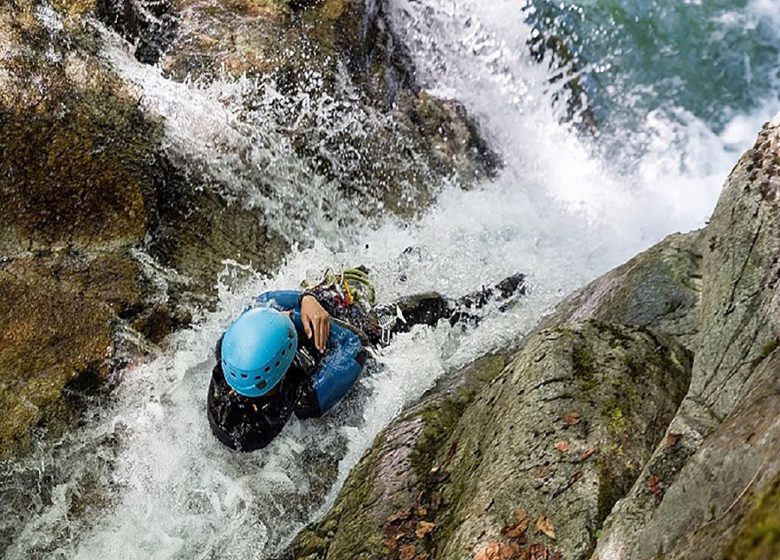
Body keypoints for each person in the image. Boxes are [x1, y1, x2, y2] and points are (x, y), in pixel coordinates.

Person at [207, 268, 525, 452]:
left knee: (350, 282)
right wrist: (317, 311)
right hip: (358, 341)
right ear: (283, 366)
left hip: (289, 350)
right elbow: (355, 346)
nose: (285, 315)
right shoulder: (309, 396)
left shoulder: (231, 357)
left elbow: (261, 303)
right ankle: (491, 301)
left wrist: (306, 300)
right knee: (430, 307)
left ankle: (397, 270)